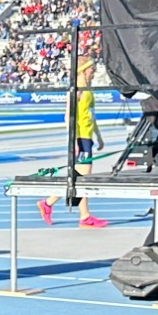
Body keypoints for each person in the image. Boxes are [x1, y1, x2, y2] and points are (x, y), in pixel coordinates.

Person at [39, 65, 108, 227]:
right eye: (91, 69)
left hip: (87, 137)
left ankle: (83, 216)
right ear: (84, 70)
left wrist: (98, 136)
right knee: (81, 177)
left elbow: (91, 115)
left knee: (82, 178)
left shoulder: (87, 88)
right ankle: (49, 203)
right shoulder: (77, 89)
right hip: (80, 138)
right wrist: (73, 139)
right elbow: (68, 115)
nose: (94, 72)